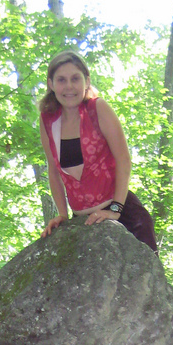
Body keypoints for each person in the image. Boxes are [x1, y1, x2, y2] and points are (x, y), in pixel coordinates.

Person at [38, 51, 158, 254]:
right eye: (61, 80)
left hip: (126, 217)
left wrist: (115, 210)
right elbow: (54, 170)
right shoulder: (48, 120)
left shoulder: (97, 108)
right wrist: (62, 215)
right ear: (51, 84)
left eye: (75, 78)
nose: (69, 86)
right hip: (83, 223)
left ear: (86, 81)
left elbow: (123, 160)